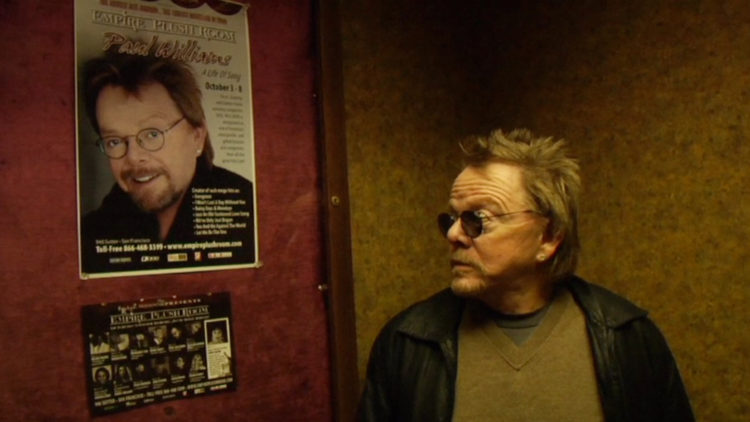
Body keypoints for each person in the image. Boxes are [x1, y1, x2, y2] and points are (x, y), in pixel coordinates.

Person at [357, 129, 694, 421]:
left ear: (548, 237)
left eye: (477, 220)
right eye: (452, 219)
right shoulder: (408, 342)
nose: (453, 234)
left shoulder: (627, 337)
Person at [79, 53, 255, 273]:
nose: (133, 157)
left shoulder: (253, 214)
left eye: (152, 134)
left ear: (197, 136)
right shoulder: (90, 234)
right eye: (114, 141)